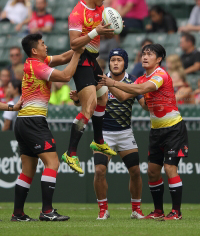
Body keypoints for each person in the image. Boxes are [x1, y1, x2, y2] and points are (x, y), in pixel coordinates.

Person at [99, 44, 188, 220]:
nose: (145, 57)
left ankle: (176, 212)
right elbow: (124, 96)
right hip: (156, 130)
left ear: (159, 59)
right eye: (144, 54)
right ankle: (158, 212)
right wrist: (106, 84)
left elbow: (141, 90)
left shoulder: (160, 75)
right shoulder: (140, 79)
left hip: (173, 129)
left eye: (150, 54)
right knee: (153, 172)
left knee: (170, 168)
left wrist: (113, 82)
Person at [11, 33, 84, 222]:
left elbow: (62, 58)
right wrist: (78, 54)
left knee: (27, 170)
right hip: (34, 121)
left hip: (23, 121)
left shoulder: (35, 62)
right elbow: (67, 76)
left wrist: (80, 45)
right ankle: (47, 211)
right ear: (35, 50)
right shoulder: (38, 66)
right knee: (53, 163)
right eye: (43, 44)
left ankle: (17, 214)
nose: (46, 46)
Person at [70, 48, 148, 220]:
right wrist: (78, 99)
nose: (115, 63)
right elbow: (88, 104)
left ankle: (136, 209)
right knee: (99, 170)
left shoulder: (132, 81)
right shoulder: (98, 79)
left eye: (119, 60)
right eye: (113, 60)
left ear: (125, 63)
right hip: (104, 134)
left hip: (125, 132)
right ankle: (103, 209)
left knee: (135, 171)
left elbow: (138, 102)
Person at [61, 0, 117, 175]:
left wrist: (112, 29)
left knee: (103, 97)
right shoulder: (77, 13)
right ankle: (70, 153)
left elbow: (106, 32)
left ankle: (99, 141)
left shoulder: (102, 10)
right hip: (82, 59)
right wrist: (95, 32)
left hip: (93, 60)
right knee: (90, 105)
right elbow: (74, 43)